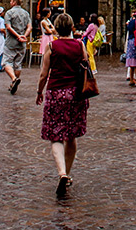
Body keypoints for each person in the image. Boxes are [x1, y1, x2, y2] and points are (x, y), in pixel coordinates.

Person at [35, 12, 88, 199]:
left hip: (56, 92)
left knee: (55, 135)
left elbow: (43, 74)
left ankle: (62, 173)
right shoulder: (80, 45)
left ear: (56, 28)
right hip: (75, 93)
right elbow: (86, 66)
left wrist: (39, 92)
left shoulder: (51, 46)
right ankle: (68, 172)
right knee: (71, 135)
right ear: (72, 27)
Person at [3, 0, 31, 94]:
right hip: (22, 43)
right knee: (18, 64)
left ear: (14, 2)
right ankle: (13, 82)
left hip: (11, 42)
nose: (10, 3)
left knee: (6, 62)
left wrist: (18, 36)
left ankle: (14, 79)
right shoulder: (26, 13)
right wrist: (24, 36)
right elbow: (29, 27)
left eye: (11, 1)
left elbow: (8, 27)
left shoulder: (9, 13)